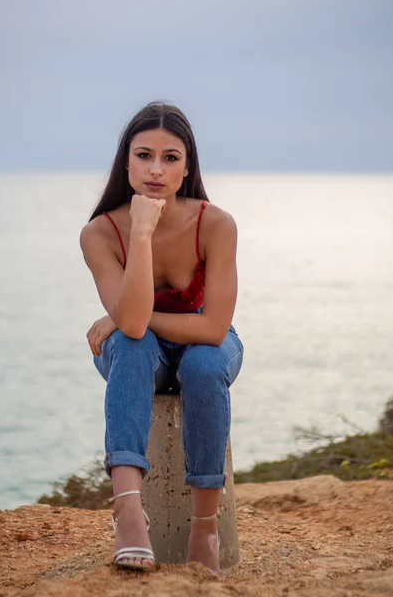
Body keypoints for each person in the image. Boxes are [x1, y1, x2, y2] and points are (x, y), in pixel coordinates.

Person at [80, 101, 244, 574]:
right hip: (138, 353)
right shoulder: (101, 233)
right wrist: (143, 234)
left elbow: (212, 328)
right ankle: (129, 513)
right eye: (144, 155)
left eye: (170, 158)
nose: (156, 169)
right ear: (125, 162)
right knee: (131, 345)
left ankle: (204, 531)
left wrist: (125, 317)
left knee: (204, 364)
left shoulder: (216, 224)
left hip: (204, 343)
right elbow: (132, 330)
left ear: (187, 166)